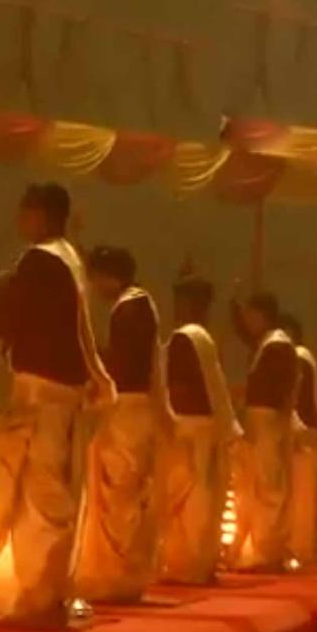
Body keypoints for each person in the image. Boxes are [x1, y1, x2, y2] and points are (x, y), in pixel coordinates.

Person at [0, 184, 115, 627]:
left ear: (42, 215)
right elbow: (8, 293)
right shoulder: (67, 259)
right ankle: (37, 595)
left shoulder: (43, 258)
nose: (20, 221)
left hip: (40, 401)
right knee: (44, 499)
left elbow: (7, 312)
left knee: (38, 503)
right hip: (57, 400)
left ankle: (36, 601)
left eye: (25, 213)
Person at [73, 246, 164, 603]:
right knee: (127, 492)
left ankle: (117, 578)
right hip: (134, 409)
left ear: (108, 275)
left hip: (126, 409)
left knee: (119, 493)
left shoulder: (129, 308)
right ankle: (123, 576)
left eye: (95, 278)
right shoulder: (139, 303)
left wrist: (92, 371)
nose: (94, 287)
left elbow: (122, 363)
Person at [158, 268, 240, 584]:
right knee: (204, 502)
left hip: (188, 430)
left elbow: (178, 386)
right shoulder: (204, 337)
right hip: (207, 430)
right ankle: (198, 564)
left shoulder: (185, 338)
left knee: (187, 505)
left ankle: (186, 566)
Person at [228, 292, 297, 571]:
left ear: (262, 315)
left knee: (269, 487)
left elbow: (277, 392)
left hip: (268, 423)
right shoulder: (266, 344)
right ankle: (257, 547)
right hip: (260, 423)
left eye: (250, 316)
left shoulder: (278, 346)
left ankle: (266, 550)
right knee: (255, 488)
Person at [281, 314, 317, 563]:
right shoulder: (305, 357)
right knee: (304, 500)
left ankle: (298, 551)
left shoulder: (298, 358)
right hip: (309, 434)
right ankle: (302, 550)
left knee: (300, 500)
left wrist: (294, 429)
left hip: (302, 436)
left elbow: (299, 401)